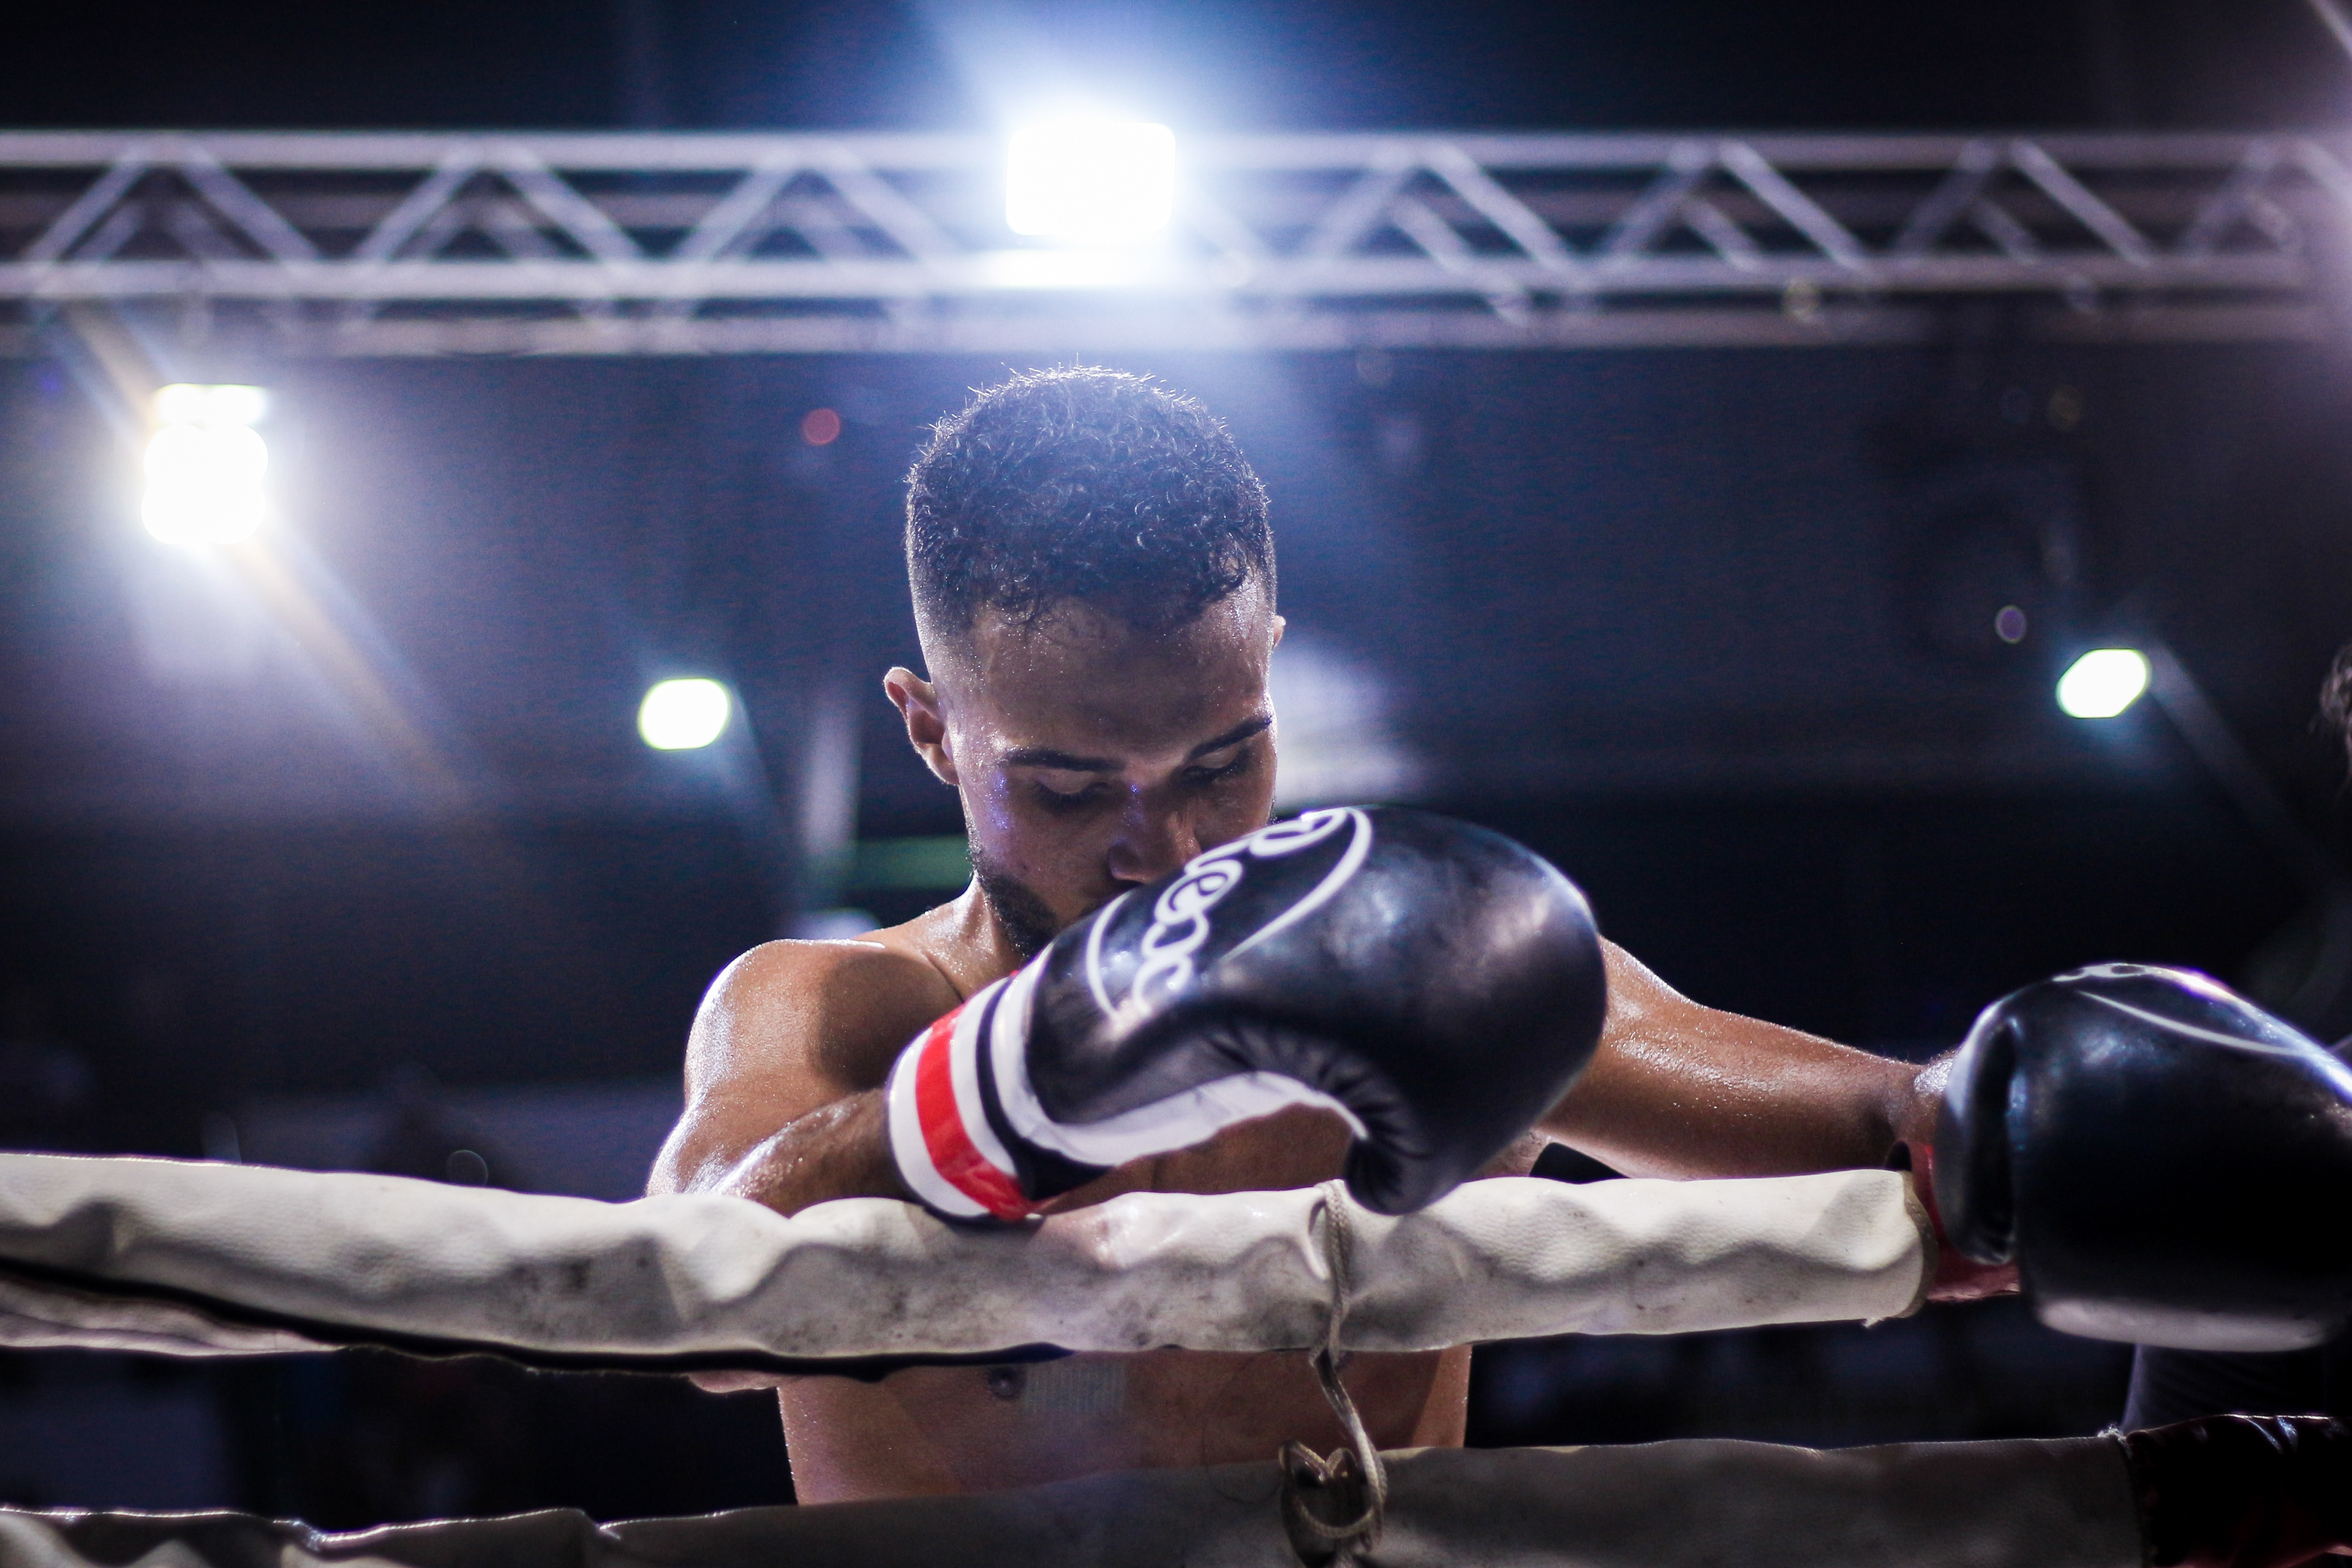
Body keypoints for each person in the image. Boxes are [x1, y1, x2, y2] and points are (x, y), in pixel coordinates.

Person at [648, 366, 2001, 1503]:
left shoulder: (1410, 960)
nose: (1169, 852)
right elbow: (691, 1289)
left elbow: (1884, 1121)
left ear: (1270, 666)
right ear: (933, 729)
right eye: (1069, 788)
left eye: (1221, 761)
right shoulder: (836, 1007)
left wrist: (2002, 1105)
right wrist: (1006, 1088)